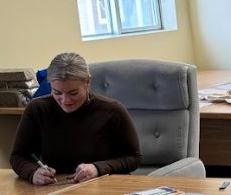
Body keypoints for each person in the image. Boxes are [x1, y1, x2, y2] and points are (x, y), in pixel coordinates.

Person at [10, 52, 141, 185]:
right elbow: (18, 156)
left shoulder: (113, 111)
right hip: (55, 188)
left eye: (73, 93)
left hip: (104, 186)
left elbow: (133, 158)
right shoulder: (37, 109)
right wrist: (33, 172)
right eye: (57, 93)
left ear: (87, 82)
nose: (65, 101)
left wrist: (97, 168)